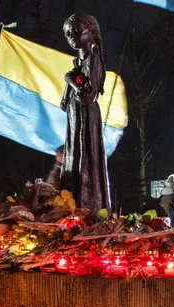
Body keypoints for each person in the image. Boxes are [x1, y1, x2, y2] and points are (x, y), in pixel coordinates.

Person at [59, 13, 111, 213]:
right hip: (76, 117)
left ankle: (88, 206)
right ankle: (70, 205)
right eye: (68, 33)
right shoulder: (80, 64)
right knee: (74, 155)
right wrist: (70, 83)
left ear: (92, 33)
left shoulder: (93, 61)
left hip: (87, 117)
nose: (72, 36)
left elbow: (88, 97)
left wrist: (72, 80)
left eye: (77, 30)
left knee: (86, 157)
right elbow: (64, 104)